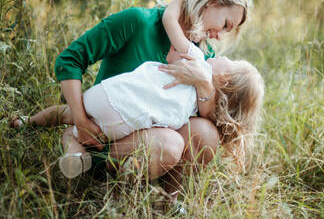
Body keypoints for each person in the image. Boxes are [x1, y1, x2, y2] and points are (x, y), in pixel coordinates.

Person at [12, 0, 253, 195]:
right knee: (170, 144)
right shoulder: (139, 22)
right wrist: (81, 119)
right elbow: (71, 59)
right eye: (225, 24)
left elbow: (207, 117)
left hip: (149, 142)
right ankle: (105, 185)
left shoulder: (201, 55)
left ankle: (167, 200)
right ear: (211, 2)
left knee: (207, 133)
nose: (220, 36)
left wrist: (203, 83)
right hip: (102, 136)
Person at [12, 44, 264, 181]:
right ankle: (73, 144)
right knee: (74, 124)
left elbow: (174, 51)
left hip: (113, 97)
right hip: (127, 123)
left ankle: (31, 123)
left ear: (225, 78)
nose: (218, 54)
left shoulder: (200, 66)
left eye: (226, 59)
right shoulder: (203, 108)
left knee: (67, 114)